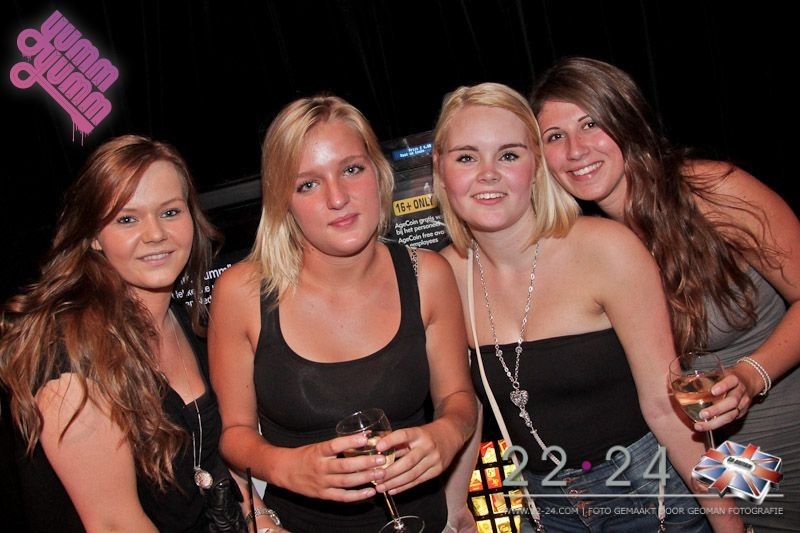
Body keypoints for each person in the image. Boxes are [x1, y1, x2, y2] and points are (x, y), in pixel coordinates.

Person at [431, 82, 743, 532]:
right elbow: (467, 405)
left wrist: (729, 522)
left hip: (650, 490)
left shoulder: (607, 248)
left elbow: (666, 403)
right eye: (466, 157)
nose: (488, 174)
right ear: (440, 169)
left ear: (536, 166)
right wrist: (453, 506)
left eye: (509, 155)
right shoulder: (442, 276)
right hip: (544, 503)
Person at [530, 56, 800, 531]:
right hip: (718, 460)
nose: (575, 150)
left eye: (590, 124)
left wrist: (751, 374)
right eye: (555, 136)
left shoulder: (711, 191)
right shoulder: (590, 249)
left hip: (786, 425)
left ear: (625, 118)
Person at [207, 94, 479, 533]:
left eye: (351, 169)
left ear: (378, 171)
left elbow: (459, 397)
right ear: (282, 200)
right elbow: (234, 434)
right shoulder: (242, 293)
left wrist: (447, 432)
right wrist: (285, 466)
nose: (338, 198)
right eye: (307, 185)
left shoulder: (428, 275)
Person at [0, 134, 282, 532]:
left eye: (170, 212)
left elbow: (219, 463)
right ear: (93, 236)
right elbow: (115, 523)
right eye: (127, 219)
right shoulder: (71, 360)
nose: (155, 234)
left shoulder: (186, 323)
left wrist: (264, 523)